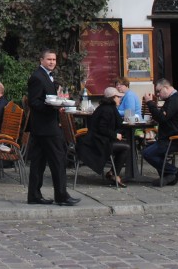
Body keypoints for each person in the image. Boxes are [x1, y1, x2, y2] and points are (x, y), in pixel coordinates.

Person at [26, 49, 80, 206]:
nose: (52, 62)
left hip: (41, 127)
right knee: (58, 160)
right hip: (46, 127)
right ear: (41, 60)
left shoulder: (47, 77)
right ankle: (61, 196)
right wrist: (53, 106)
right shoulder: (37, 77)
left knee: (38, 162)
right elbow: (34, 102)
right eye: (49, 59)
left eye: (54, 60)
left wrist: (58, 102)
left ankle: (34, 195)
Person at [142, 79, 178, 186]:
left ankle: (173, 171)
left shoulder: (174, 100)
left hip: (177, 140)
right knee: (148, 149)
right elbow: (165, 117)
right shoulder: (177, 98)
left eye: (159, 91)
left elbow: (161, 117)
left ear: (166, 88)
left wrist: (150, 103)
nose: (158, 94)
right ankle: (168, 177)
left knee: (147, 153)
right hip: (173, 138)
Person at [76, 87, 130, 187]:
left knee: (124, 146)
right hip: (98, 142)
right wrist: (115, 135)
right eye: (118, 97)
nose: (120, 99)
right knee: (126, 147)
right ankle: (114, 174)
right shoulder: (107, 110)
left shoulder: (105, 107)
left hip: (97, 140)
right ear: (113, 98)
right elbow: (102, 128)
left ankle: (112, 173)